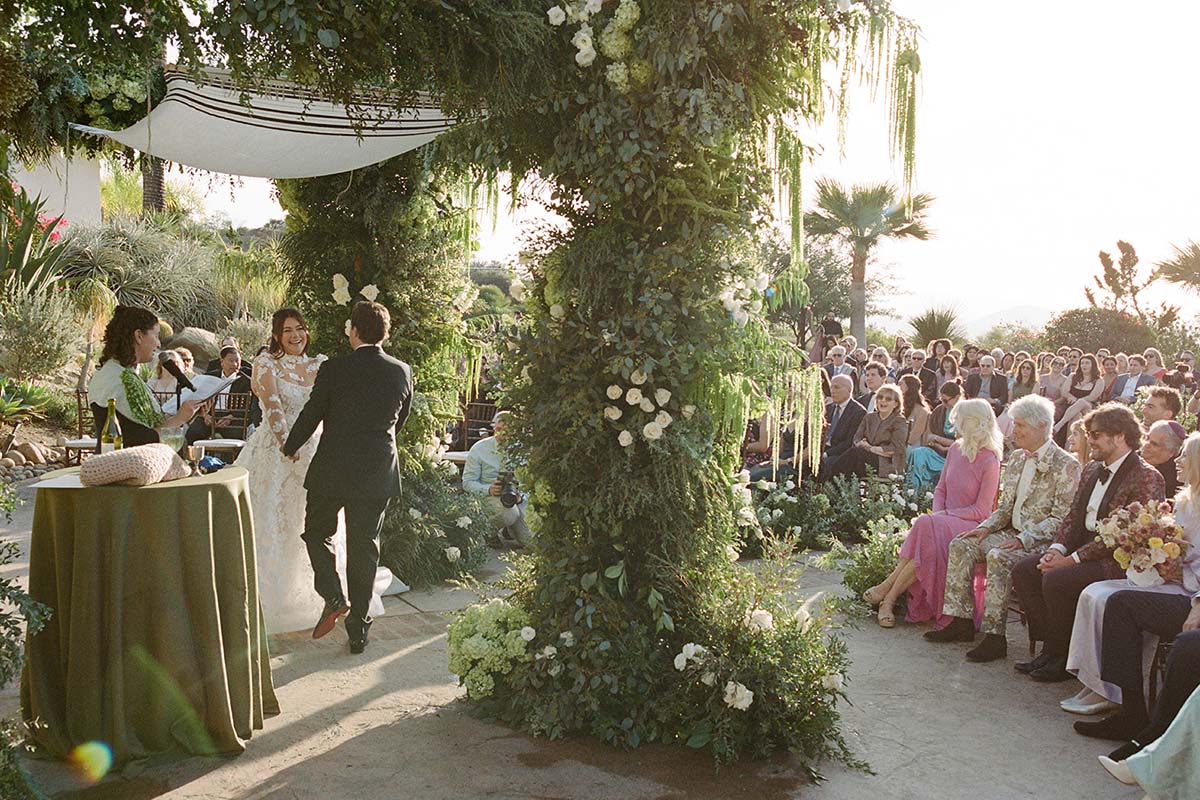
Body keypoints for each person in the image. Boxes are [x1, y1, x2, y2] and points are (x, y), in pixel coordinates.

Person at [234, 309, 390, 635]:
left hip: (322, 455)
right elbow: (273, 407)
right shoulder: (266, 364)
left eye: (300, 329)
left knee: (318, 529)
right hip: (277, 456)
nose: (295, 336)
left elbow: (334, 409)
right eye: (288, 330)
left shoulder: (323, 365)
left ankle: (329, 596)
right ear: (276, 335)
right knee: (277, 524)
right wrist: (287, 447)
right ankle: (284, 598)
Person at [284, 301, 414, 654]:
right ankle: (359, 627)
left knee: (316, 532)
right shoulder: (401, 370)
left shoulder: (334, 368)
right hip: (377, 468)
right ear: (384, 333)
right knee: (364, 546)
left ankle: (332, 595)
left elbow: (315, 411)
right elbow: (400, 421)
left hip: (333, 468)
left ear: (353, 331)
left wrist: (290, 445)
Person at [1012, 404, 1167, 682]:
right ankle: (1051, 648)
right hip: (1081, 548)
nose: (1089, 440)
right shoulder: (1092, 469)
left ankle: (1064, 659)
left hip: (1118, 558)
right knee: (1025, 570)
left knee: (1057, 580)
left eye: (1095, 434)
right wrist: (1055, 550)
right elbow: (1073, 515)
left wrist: (1071, 560)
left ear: (1119, 437)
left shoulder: (1146, 476)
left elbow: (1123, 536)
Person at [1066, 432, 1200, 737]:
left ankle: (1131, 713)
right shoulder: (1186, 500)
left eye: (1185, 457)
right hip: (1174, 584)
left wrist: (1187, 581)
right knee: (1113, 600)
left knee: (1121, 603)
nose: (1178, 461)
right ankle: (1119, 701)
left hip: (1192, 595)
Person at [930, 395, 1081, 661]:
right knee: (962, 544)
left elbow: (1061, 519)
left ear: (1042, 426)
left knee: (998, 556)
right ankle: (961, 622)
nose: (1015, 430)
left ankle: (995, 637)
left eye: (1021, 425)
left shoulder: (1066, 464)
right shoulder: (1018, 459)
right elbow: (1005, 508)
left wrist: (1024, 539)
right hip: (1010, 532)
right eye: (1015, 424)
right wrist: (985, 528)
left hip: (1041, 541)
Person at [862, 399, 1002, 629]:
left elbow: (982, 510)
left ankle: (887, 591)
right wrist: (938, 516)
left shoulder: (990, 459)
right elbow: (940, 489)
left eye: (962, 420)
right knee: (928, 529)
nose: (957, 425)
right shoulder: (956, 449)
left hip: (970, 524)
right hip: (941, 520)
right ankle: (888, 599)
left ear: (976, 422)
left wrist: (943, 516)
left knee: (927, 526)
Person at [87, 305, 202, 447]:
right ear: (139, 336)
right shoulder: (124, 380)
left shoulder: (111, 372)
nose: (159, 343)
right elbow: (142, 438)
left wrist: (187, 413)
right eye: (156, 335)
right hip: (127, 463)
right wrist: (180, 418)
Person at [463, 411, 533, 546]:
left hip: (517, 499)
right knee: (510, 513)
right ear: (494, 428)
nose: (501, 434)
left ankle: (510, 529)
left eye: (507, 431)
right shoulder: (479, 449)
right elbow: (467, 483)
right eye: (499, 429)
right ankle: (488, 531)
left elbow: (530, 484)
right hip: (488, 498)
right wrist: (488, 489)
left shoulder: (523, 450)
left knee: (531, 543)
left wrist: (521, 496)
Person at [823, 383, 908, 481]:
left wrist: (872, 449)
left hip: (886, 463)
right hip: (863, 457)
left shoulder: (899, 421)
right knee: (850, 459)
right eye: (880, 397)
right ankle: (835, 485)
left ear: (896, 404)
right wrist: (862, 443)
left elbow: (896, 449)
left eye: (888, 399)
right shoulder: (869, 417)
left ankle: (830, 485)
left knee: (854, 455)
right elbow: (856, 439)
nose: (883, 401)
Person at [186, 345, 254, 445]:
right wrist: (205, 414)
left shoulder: (246, 381)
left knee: (235, 436)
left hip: (233, 418)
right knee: (193, 433)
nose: (235, 364)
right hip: (210, 414)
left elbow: (248, 405)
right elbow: (200, 398)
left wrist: (231, 417)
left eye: (237, 361)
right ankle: (193, 459)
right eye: (231, 360)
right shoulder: (210, 377)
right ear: (222, 362)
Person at [907, 382, 961, 490]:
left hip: (957, 455)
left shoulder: (965, 413)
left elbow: (962, 442)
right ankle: (914, 492)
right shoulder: (939, 411)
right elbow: (929, 437)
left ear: (957, 397)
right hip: (937, 451)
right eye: (941, 400)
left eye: (946, 401)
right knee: (918, 453)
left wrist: (938, 440)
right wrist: (940, 445)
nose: (943, 404)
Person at [817, 374, 866, 480]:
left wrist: (826, 454)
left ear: (849, 390)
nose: (832, 391)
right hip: (821, 449)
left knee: (826, 465)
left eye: (837, 387)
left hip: (840, 454)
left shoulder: (858, 412)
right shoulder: (828, 409)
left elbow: (850, 441)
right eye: (831, 387)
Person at [1054, 354, 1106, 441]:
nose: (1084, 365)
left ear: (1093, 365)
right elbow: (1064, 392)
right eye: (1082, 363)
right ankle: (1069, 446)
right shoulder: (1072, 376)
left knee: (1081, 402)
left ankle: (1058, 426)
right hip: (1070, 407)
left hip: (1088, 408)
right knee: (1076, 416)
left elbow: (1092, 397)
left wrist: (1077, 400)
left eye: (1087, 363)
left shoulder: (1099, 380)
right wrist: (1070, 397)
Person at [1141, 419, 1186, 497]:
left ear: (1171, 452)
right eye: (1146, 438)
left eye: (1154, 444)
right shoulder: (1131, 459)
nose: (1146, 445)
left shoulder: (1178, 477)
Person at [899, 373, 930, 451]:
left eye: (900, 384)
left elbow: (913, 439)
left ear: (909, 387)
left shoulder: (922, 411)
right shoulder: (897, 407)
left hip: (911, 449)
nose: (897, 387)